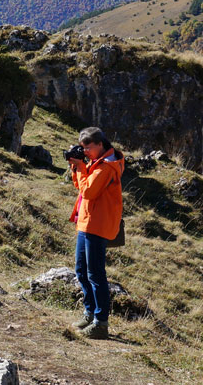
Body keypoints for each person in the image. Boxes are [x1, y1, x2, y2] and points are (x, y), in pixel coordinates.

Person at [66, 126, 124, 339]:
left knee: (95, 274)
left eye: (88, 148)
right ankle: (89, 313)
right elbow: (81, 187)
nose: (86, 152)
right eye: (83, 148)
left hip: (97, 225)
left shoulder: (107, 167)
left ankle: (101, 323)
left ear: (100, 145)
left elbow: (89, 192)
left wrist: (81, 167)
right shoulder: (96, 163)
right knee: (81, 270)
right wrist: (77, 167)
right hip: (86, 222)